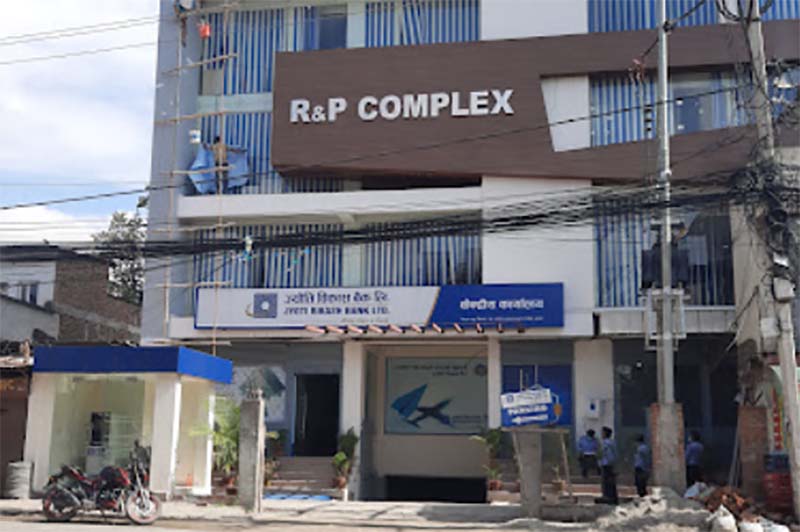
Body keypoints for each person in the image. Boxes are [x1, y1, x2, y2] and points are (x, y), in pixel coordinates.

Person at [597, 426, 619, 505]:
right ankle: (613, 497)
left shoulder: (605, 443)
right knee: (611, 482)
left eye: (602, 432)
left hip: (606, 465)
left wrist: (600, 462)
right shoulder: (613, 442)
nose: (601, 434)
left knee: (606, 482)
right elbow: (615, 454)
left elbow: (604, 454)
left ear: (605, 433)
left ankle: (607, 497)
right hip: (611, 465)